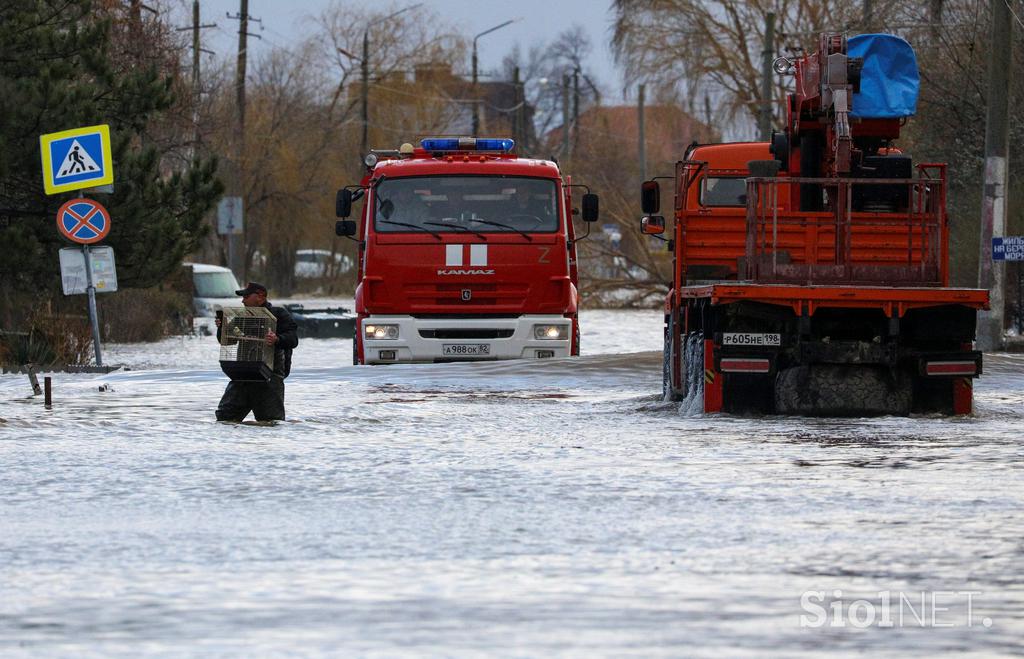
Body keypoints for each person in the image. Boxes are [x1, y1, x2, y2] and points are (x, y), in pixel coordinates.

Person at [215, 282, 298, 422]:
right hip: (242, 374)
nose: (243, 300)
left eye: (246, 296)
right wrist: (222, 328)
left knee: (271, 422)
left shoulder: (279, 314)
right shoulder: (241, 317)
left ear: (260, 297)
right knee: (225, 419)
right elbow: (227, 341)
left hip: (269, 377)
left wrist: (277, 339)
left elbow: (293, 339)